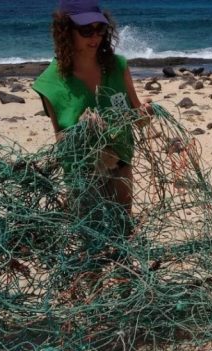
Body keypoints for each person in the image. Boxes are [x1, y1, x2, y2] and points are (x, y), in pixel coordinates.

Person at [33, 0, 149, 214]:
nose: (95, 37)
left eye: (100, 29)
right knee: (92, 241)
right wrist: (90, 143)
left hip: (121, 168)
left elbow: (139, 119)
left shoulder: (117, 67)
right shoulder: (50, 83)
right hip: (83, 178)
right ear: (66, 31)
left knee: (122, 231)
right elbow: (61, 139)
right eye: (86, 30)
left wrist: (146, 114)